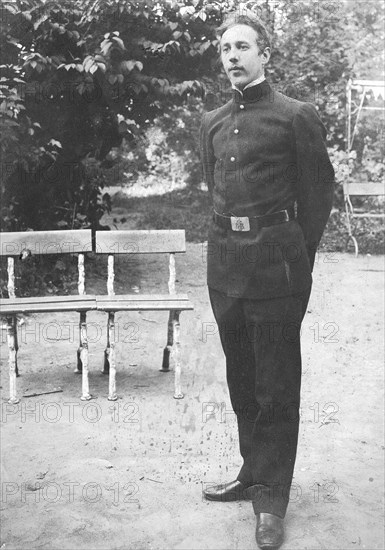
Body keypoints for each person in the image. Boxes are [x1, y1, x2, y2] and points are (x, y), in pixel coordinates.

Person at [199, 11, 334, 550]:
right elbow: (215, 188)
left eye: (242, 47)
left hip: (277, 268)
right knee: (242, 379)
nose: (232, 56)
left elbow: (317, 194)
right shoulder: (210, 121)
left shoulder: (294, 116)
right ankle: (253, 472)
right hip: (225, 268)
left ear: (264, 54)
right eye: (226, 49)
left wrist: (297, 256)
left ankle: (272, 502)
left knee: (276, 384)